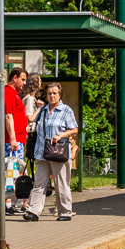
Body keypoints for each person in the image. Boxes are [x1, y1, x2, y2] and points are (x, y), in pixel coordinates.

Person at [24, 82, 79, 222]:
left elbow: (74, 129)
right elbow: (33, 122)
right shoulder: (42, 110)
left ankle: (65, 212)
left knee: (61, 183)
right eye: (49, 93)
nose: (52, 96)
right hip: (41, 152)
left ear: (60, 95)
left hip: (58, 152)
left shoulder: (66, 110)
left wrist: (60, 136)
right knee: (39, 183)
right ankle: (33, 211)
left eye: (55, 93)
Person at [0, 67, 29, 213]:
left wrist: (0, 134)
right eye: (23, 79)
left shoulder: (11, 93)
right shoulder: (9, 93)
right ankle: (3, 203)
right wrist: (11, 138)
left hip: (14, 139)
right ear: (15, 78)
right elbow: (8, 116)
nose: (24, 83)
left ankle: (2, 202)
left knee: (14, 172)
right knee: (13, 172)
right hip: (14, 141)